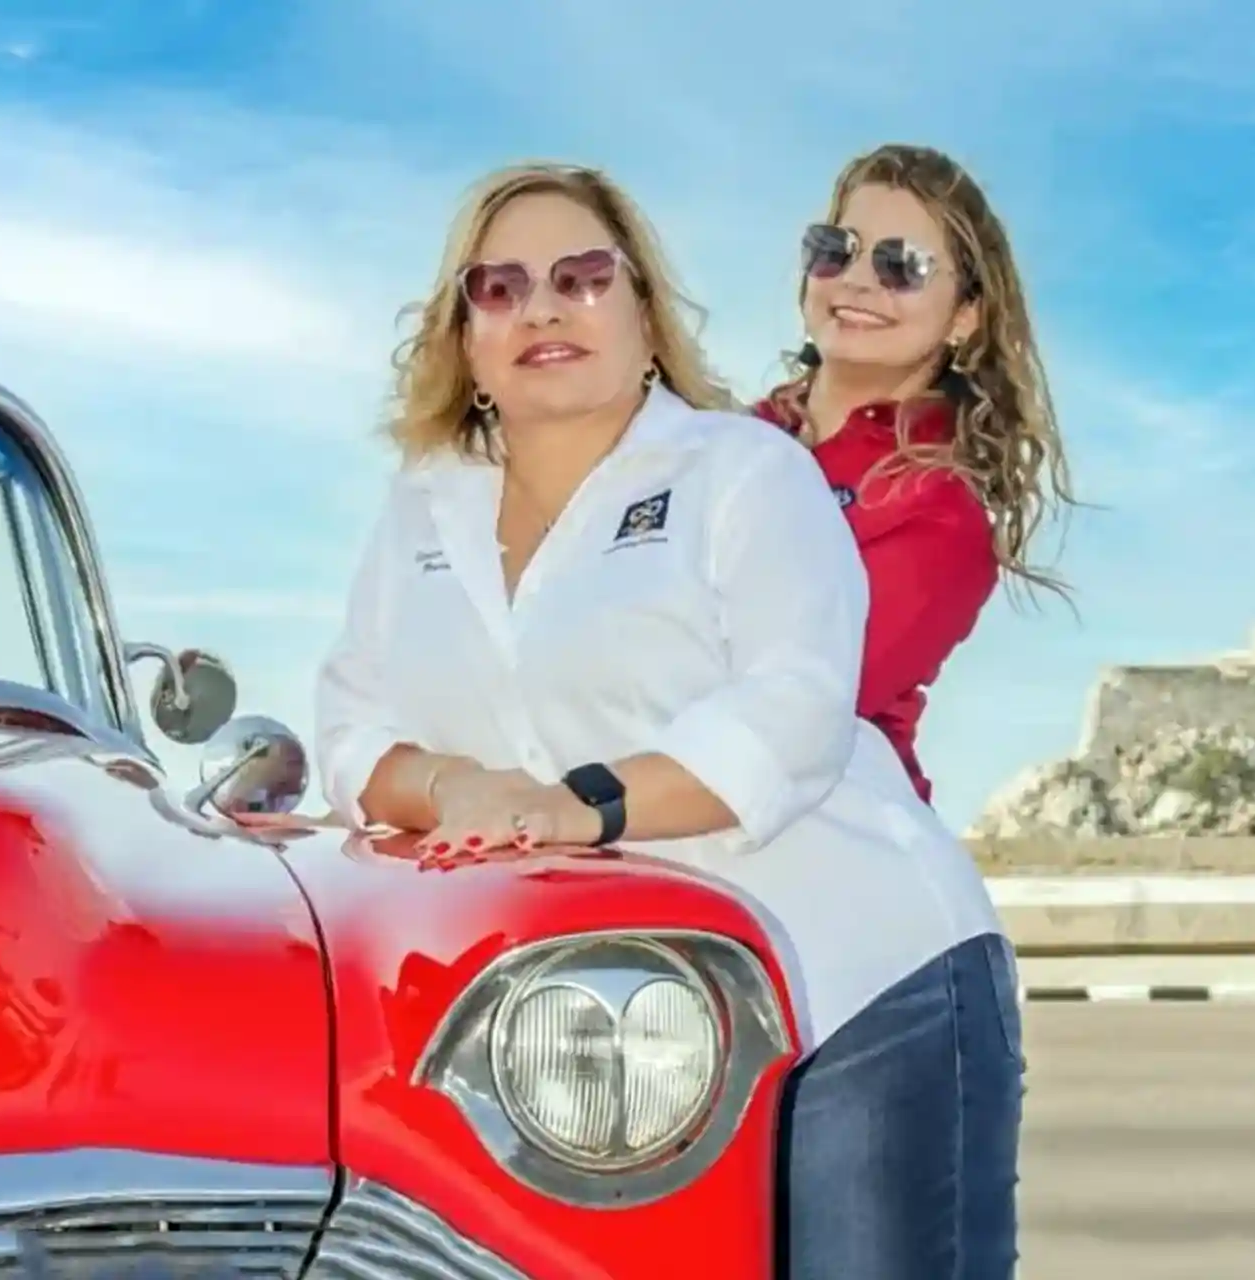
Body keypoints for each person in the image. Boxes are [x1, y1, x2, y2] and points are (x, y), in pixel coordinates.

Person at [311, 162, 1023, 1278]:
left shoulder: (747, 472)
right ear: (465, 337)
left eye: (583, 276)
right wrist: (456, 787)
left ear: (647, 313)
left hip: (853, 971)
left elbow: (797, 707)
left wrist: (572, 806)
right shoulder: (421, 505)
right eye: (499, 288)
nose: (542, 306)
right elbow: (351, 721)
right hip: (616, 1013)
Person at [757, 142, 1076, 805]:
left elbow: (800, 709)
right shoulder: (718, 437)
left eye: (902, 265)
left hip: (831, 845)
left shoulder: (939, 513)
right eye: (835, 248)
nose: (857, 279)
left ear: (966, 315)